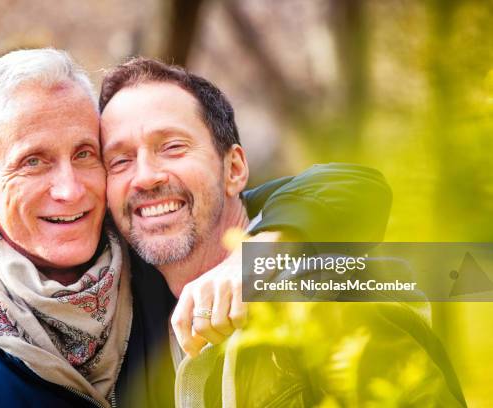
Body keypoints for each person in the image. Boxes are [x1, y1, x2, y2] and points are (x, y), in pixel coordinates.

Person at [0, 49, 392, 408]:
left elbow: (350, 188)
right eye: (33, 162)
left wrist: (256, 259)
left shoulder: (154, 255)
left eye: (86, 154)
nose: (71, 190)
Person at [98, 57, 399, 407]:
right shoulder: (123, 305)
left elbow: (356, 186)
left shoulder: (324, 288)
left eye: (172, 147)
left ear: (235, 169)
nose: (146, 176)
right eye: (119, 160)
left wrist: (255, 257)